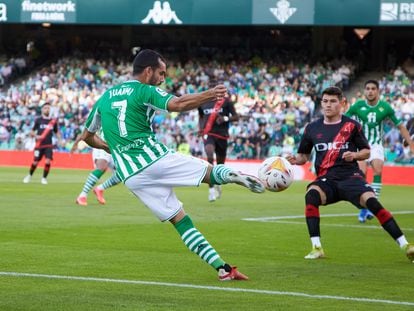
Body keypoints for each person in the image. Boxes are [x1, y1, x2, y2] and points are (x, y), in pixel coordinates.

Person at [77, 49, 265, 281]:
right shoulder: (144, 89)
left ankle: (223, 269)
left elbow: (86, 136)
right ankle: (238, 176)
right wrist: (210, 94)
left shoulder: (105, 96)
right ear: (148, 72)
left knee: (180, 220)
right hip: (153, 159)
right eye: (161, 74)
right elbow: (177, 104)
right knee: (209, 172)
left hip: (131, 177)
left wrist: (109, 147)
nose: (163, 79)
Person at [286, 86, 414, 262]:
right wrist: (294, 160)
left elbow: (366, 152)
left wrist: (354, 155)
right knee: (311, 196)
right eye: (325, 101)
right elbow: (304, 156)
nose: (328, 105)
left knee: (373, 203)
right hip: (326, 179)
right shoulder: (312, 128)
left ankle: (406, 245)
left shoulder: (351, 126)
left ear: (342, 103)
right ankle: (317, 248)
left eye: (332, 101)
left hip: (350, 177)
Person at [345, 80, 414, 223]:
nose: (370, 91)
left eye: (373, 89)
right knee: (362, 174)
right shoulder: (358, 105)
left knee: (377, 171)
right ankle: (364, 206)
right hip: (360, 144)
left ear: (378, 91)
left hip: (376, 145)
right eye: (368, 88)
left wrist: (411, 143)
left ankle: (372, 206)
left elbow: (400, 126)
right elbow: (343, 121)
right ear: (365, 91)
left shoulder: (385, 107)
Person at [198, 91, 239, 201]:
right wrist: (200, 128)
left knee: (220, 165)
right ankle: (211, 189)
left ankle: (218, 183)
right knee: (210, 157)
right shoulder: (204, 102)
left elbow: (236, 117)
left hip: (222, 136)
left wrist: (225, 119)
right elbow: (201, 116)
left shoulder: (226, 102)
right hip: (209, 134)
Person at [71, 135, 121, 206]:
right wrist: (76, 143)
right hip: (102, 143)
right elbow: (87, 129)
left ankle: (100, 189)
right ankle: (82, 196)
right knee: (102, 167)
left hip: (115, 145)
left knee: (122, 174)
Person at [23, 103, 60, 185]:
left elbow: (56, 132)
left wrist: (61, 140)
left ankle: (44, 178)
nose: (47, 109)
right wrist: (36, 136)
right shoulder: (38, 120)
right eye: (45, 108)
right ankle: (29, 175)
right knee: (35, 162)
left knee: (47, 162)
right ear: (42, 110)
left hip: (49, 145)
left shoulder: (53, 121)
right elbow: (32, 131)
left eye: (48, 108)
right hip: (39, 145)